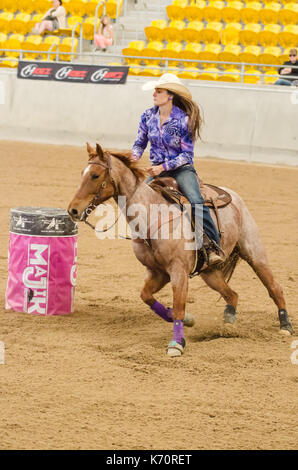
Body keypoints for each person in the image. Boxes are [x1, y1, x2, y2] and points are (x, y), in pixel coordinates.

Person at [131, 73, 224, 268]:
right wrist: (132, 158)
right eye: (155, 90)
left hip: (181, 169)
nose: (154, 94)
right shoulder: (147, 116)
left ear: (170, 95)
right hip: (156, 170)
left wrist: (163, 167)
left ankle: (211, 246)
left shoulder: (184, 120)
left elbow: (187, 155)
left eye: (159, 90)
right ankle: (147, 241)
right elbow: (140, 143)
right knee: (135, 197)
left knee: (196, 201)